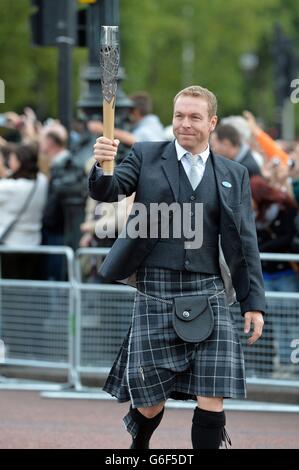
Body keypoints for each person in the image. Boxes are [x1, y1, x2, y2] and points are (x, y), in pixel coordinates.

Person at [88, 85, 265, 449]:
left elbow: (246, 242)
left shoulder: (234, 173)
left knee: (212, 394)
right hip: (156, 289)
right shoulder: (147, 155)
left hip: (210, 292)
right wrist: (101, 164)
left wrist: (254, 303)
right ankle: (140, 449)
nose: (185, 124)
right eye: (179, 116)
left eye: (195, 117)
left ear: (212, 122)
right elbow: (109, 190)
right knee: (150, 402)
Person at [0, 143, 48, 279]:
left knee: (13, 288)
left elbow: (7, 182)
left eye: (12, 159)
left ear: (20, 162)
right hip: (34, 242)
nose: (8, 161)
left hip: (12, 244)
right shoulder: (41, 181)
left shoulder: (10, 188)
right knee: (28, 286)